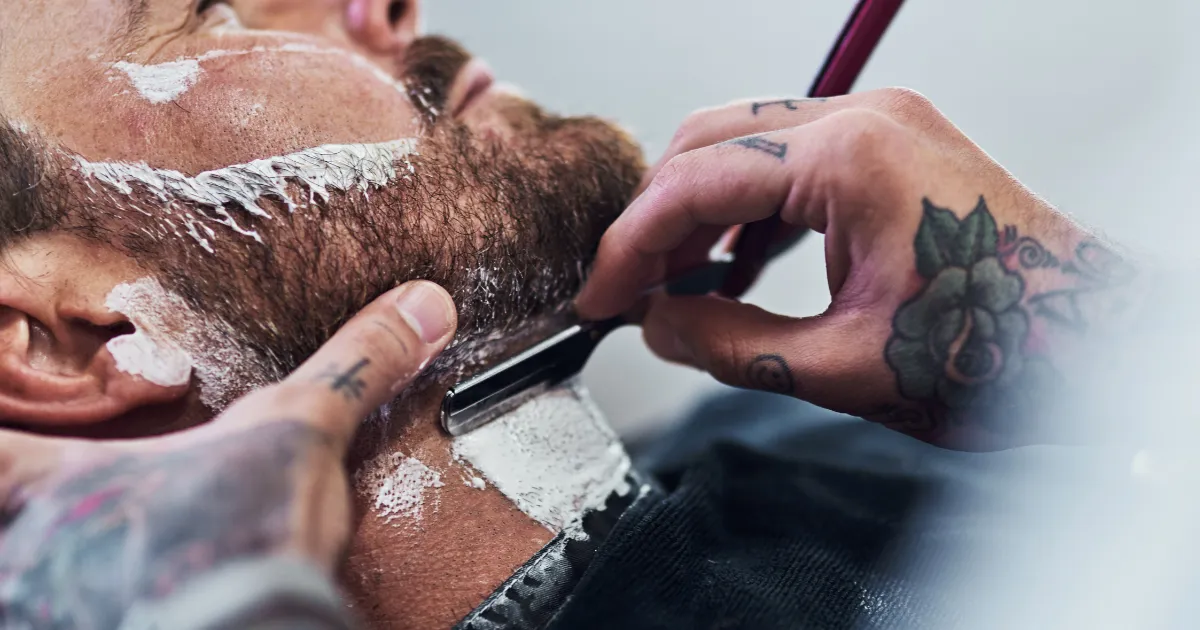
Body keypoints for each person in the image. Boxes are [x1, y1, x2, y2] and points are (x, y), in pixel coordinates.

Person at [1, 2, 1188, 629]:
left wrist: (1119, 348)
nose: (384, 3)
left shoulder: (918, 432)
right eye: (205, 5)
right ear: (73, 339)